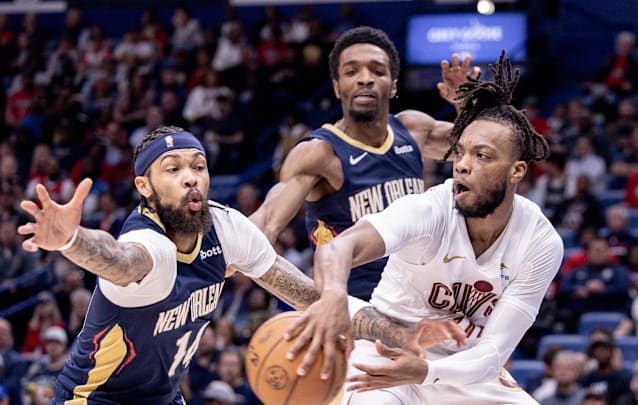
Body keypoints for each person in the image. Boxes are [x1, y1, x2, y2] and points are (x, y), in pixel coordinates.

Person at [286, 51, 563, 404]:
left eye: (482, 156)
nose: (462, 166)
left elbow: (493, 353)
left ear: (517, 172)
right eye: (459, 153)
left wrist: (428, 372)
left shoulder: (540, 243)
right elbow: (338, 247)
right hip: (386, 350)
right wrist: (334, 296)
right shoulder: (430, 210)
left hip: (462, 368)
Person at [16, 126, 322, 404]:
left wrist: (364, 327)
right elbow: (120, 259)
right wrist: (72, 240)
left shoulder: (226, 228)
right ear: (144, 186)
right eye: (172, 169)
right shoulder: (150, 244)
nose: (190, 177)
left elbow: (312, 299)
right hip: (96, 399)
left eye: (198, 167)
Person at [249, 26, 478, 301]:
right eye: (351, 71)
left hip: (422, 300)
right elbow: (267, 220)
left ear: (393, 84)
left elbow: (480, 152)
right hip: (356, 309)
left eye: (377, 71)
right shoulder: (319, 152)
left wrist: (466, 105)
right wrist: (227, 246)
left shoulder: (413, 129)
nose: (364, 79)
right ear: (336, 86)